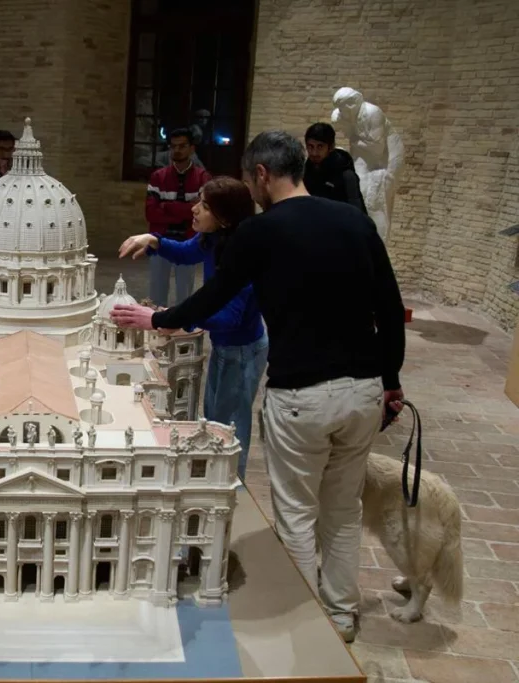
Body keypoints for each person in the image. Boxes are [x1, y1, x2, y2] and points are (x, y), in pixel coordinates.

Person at [111, 130, 406, 643]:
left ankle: (306, 618)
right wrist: (392, 382)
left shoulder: (260, 233)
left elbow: (210, 300)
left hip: (301, 396)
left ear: (263, 176)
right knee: (342, 510)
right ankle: (340, 613)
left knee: (295, 511)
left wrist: (156, 318)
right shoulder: (355, 221)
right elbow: (391, 309)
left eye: (252, 180)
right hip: (363, 391)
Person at [119, 176, 267, 481]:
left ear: (225, 218)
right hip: (228, 345)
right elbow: (186, 252)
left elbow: (229, 317)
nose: (194, 210)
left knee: (228, 426)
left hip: (241, 350)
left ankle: (228, 482)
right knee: (213, 416)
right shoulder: (214, 239)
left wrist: (172, 319)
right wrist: (154, 241)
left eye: (204, 206)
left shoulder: (243, 255)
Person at [146, 127, 212, 307]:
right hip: (160, 240)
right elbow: (151, 213)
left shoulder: (202, 177)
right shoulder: (158, 177)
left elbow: (203, 213)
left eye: (182, 146)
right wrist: (186, 211)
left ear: (192, 148)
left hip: (188, 241)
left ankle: (181, 331)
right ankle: (156, 330)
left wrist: (166, 206)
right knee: (156, 294)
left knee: (185, 294)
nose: (177, 150)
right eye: (173, 146)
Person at [303, 122, 367, 213]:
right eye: (310, 147)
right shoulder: (304, 172)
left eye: (320, 147)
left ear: (331, 147)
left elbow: (358, 214)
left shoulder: (346, 175)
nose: (314, 153)